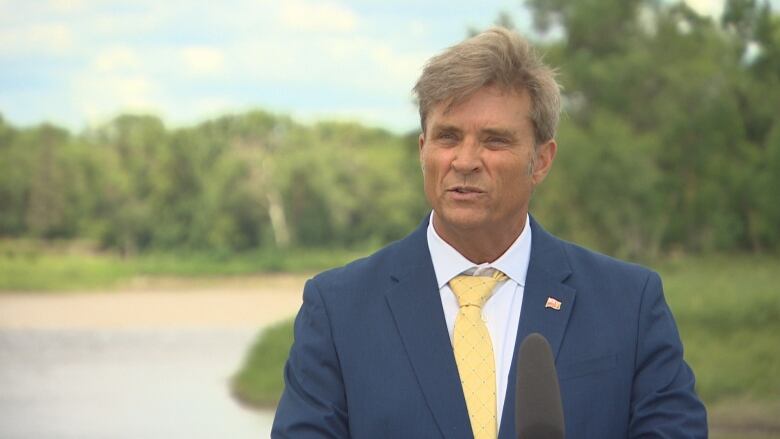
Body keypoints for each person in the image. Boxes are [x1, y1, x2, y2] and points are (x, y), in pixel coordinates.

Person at [272, 27, 707, 438]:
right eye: (447, 137)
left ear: (540, 160)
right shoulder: (338, 309)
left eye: (494, 141)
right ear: (423, 151)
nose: (465, 160)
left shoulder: (629, 303)